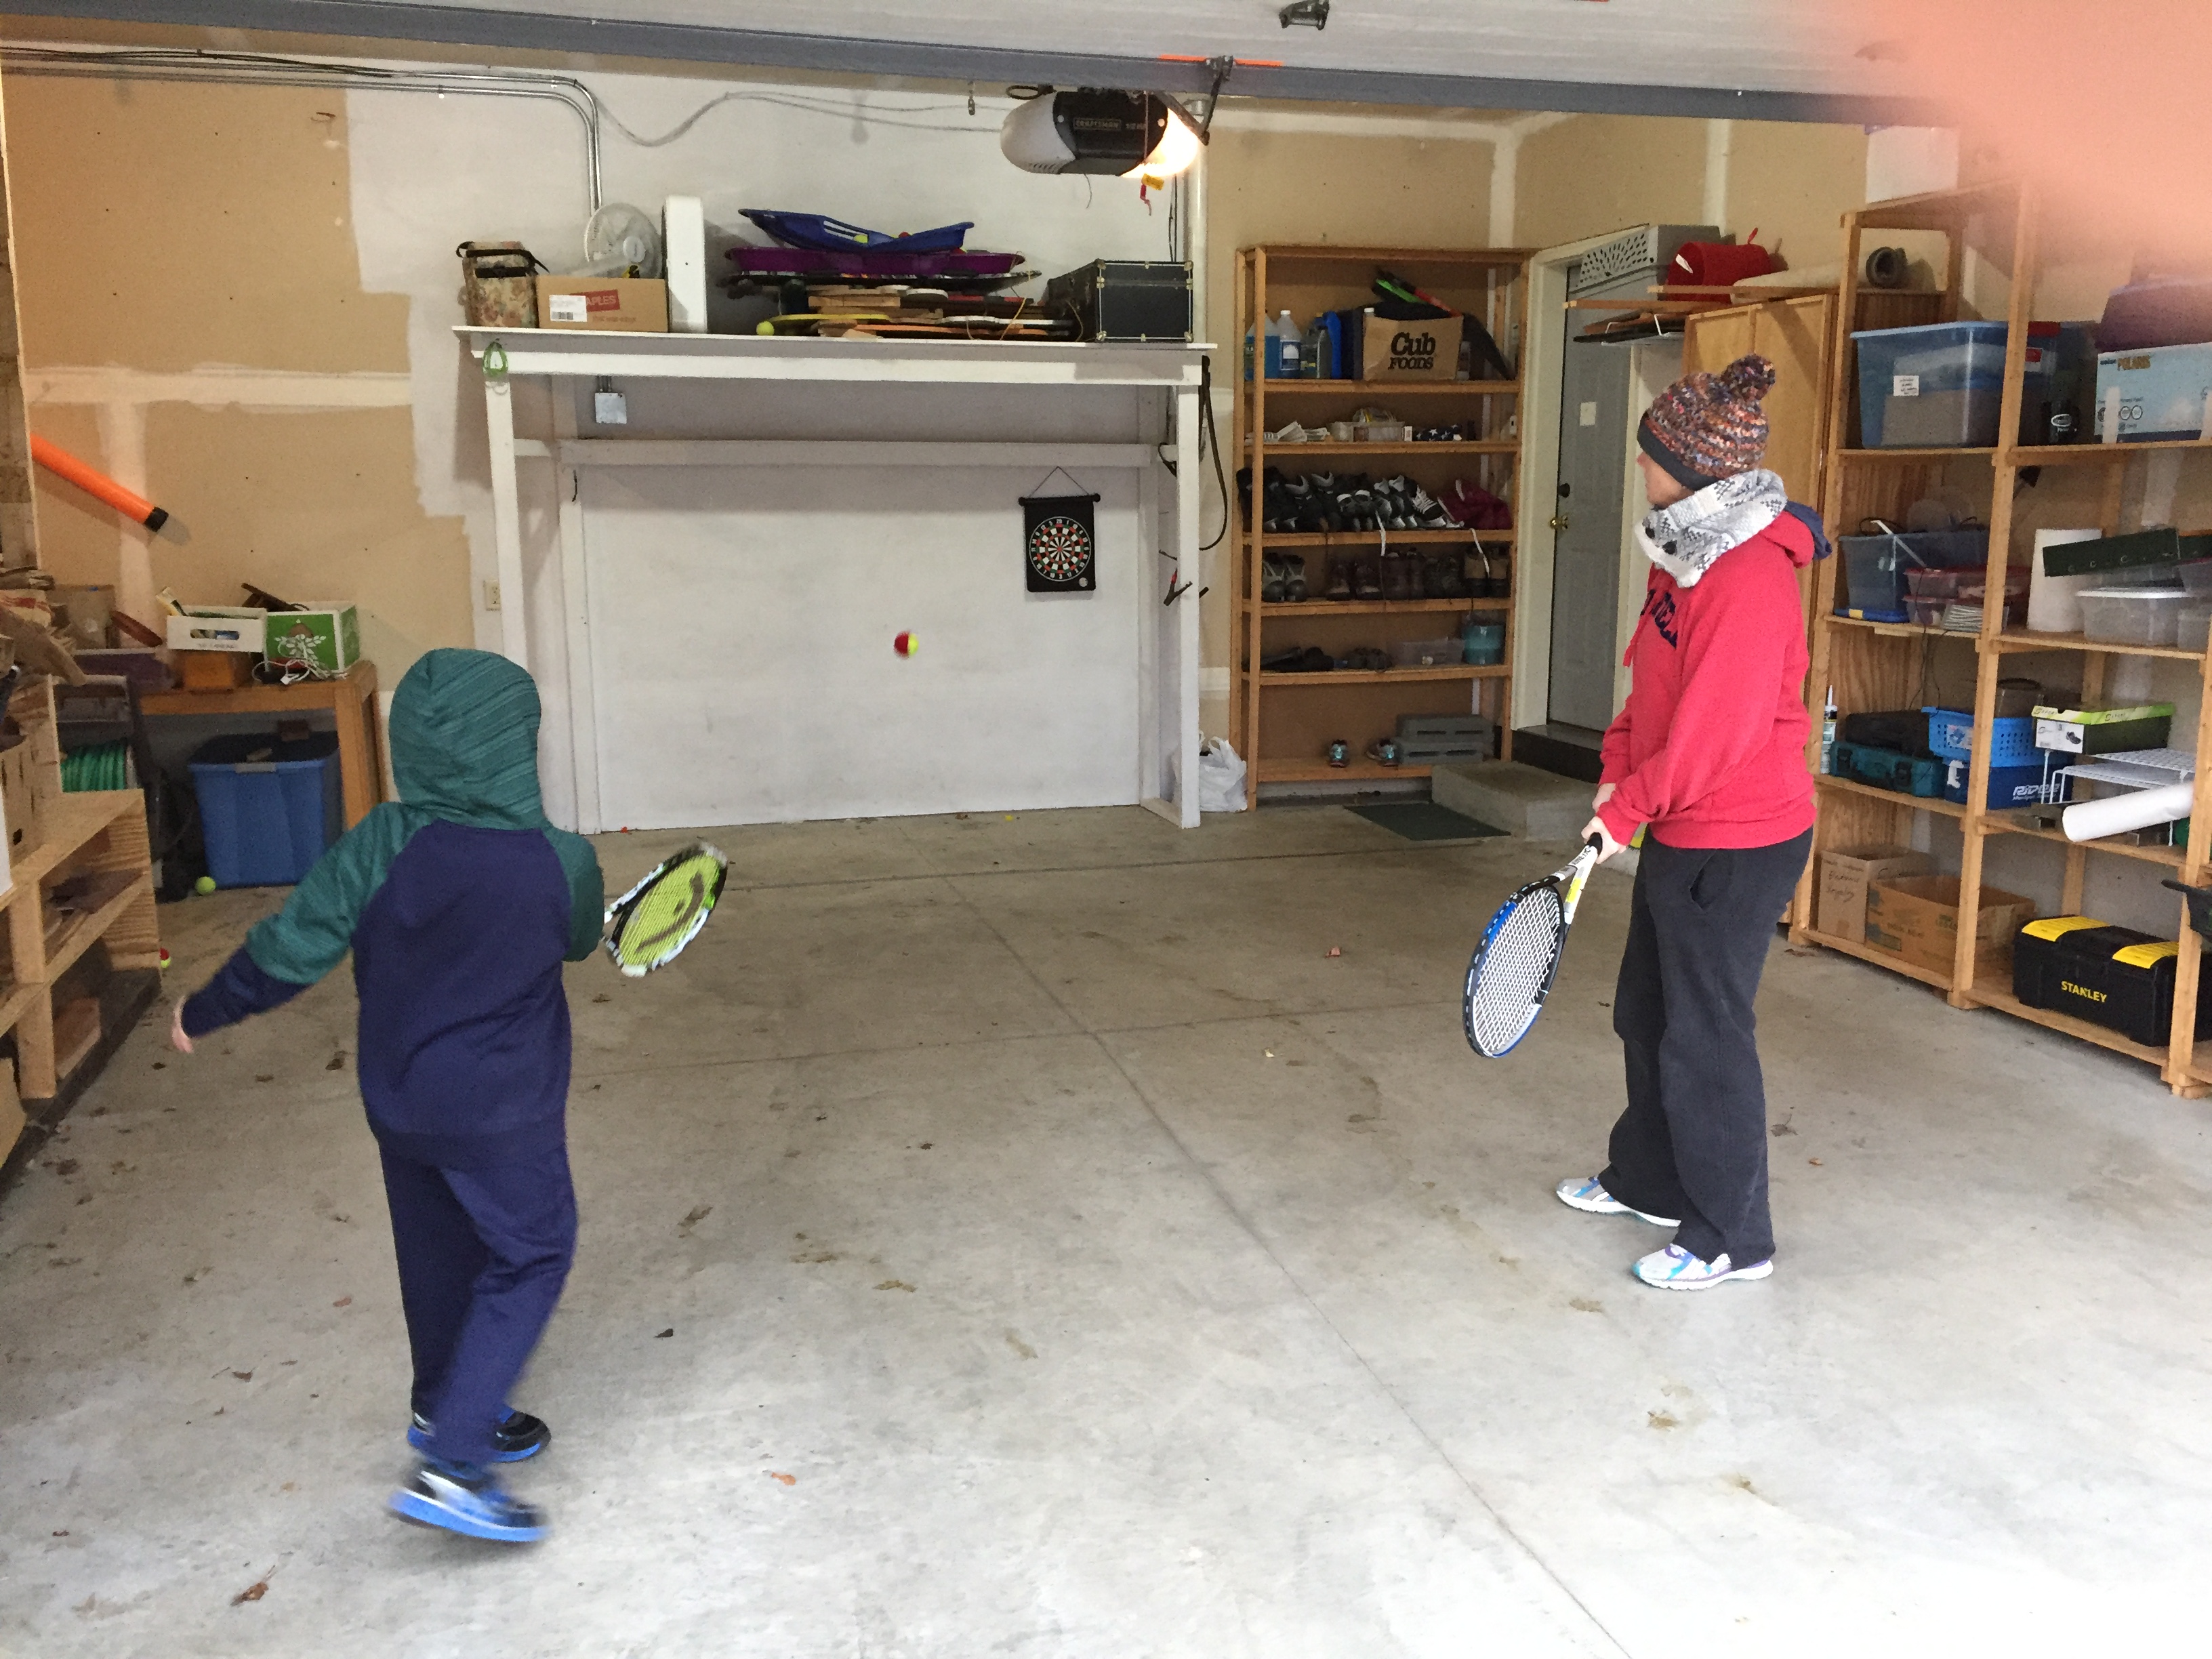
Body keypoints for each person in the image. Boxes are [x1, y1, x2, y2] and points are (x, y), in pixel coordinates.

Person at [169, 649, 603, 1540]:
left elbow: (291, 948)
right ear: (515, 749)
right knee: (532, 1253)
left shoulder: (377, 842)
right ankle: (452, 1464)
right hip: (501, 1113)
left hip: (400, 1102)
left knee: (440, 1255)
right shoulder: (559, 860)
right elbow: (580, 940)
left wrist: (203, 1012)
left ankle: (443, 1403)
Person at [1555, 354, 1823, 1292]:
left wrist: (1628, 811)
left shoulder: (1748, 579)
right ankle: (1652, 1180)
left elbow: (1716, 735)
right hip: (1685, 826)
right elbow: (1652, 686)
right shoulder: (1685, 553)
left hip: (1741, 838)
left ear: (1692, 468)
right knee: (1649, 1013)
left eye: (1649, 456)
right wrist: (1615, 778)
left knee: (1705, 1035)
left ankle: (1732, 1237)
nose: (1640, 469)